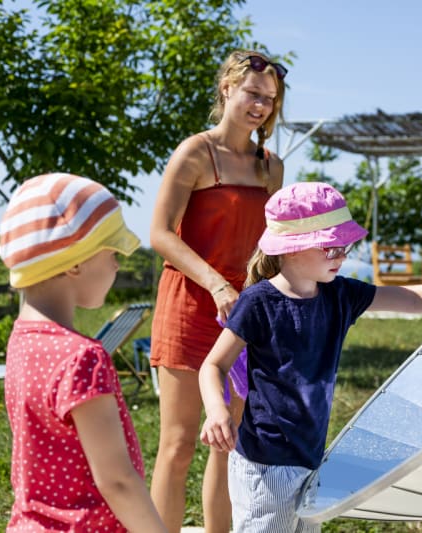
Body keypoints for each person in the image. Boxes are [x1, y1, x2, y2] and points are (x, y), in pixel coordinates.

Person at [197, 182, 422, 532]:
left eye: (346, 246)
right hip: (265, 465)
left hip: (309, 456)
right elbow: (213, 365)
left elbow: (411, 298)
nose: (342, 256)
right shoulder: (259, 303)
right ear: (293, 249)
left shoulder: (339, 295)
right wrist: (217, 411)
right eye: (332, 248)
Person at [148, 49, 286, 533]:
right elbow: (161, 233)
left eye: (269, 99)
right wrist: (215, 282)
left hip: (243, 314)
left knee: (227, 441)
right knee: (179, 442)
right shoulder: (195, 152)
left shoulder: (272, 166)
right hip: (190, 306)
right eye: (252, 93)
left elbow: (271, 245)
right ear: (227, 88)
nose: (260, 106)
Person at [0, 173, 167, 532]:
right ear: (74, 263)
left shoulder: (21, 341)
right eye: (112, 253)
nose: (117, 265)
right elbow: (117, 480)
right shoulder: (82, 357)